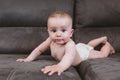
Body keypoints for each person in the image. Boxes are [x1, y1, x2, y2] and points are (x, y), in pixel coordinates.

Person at [16, 11, 115, 76]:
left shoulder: (69, 44)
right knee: (88, 45)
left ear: (71, 33)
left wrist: (60, 66)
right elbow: (39, 49)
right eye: (54, 31)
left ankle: (106, 44)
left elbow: (68, 57)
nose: (58, 34)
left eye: (63, 30)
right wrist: (28, 59)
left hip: (82, 54)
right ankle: (102, 39)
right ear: (48, 31)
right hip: (79, 47)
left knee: (101, 54)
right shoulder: (50, 40)